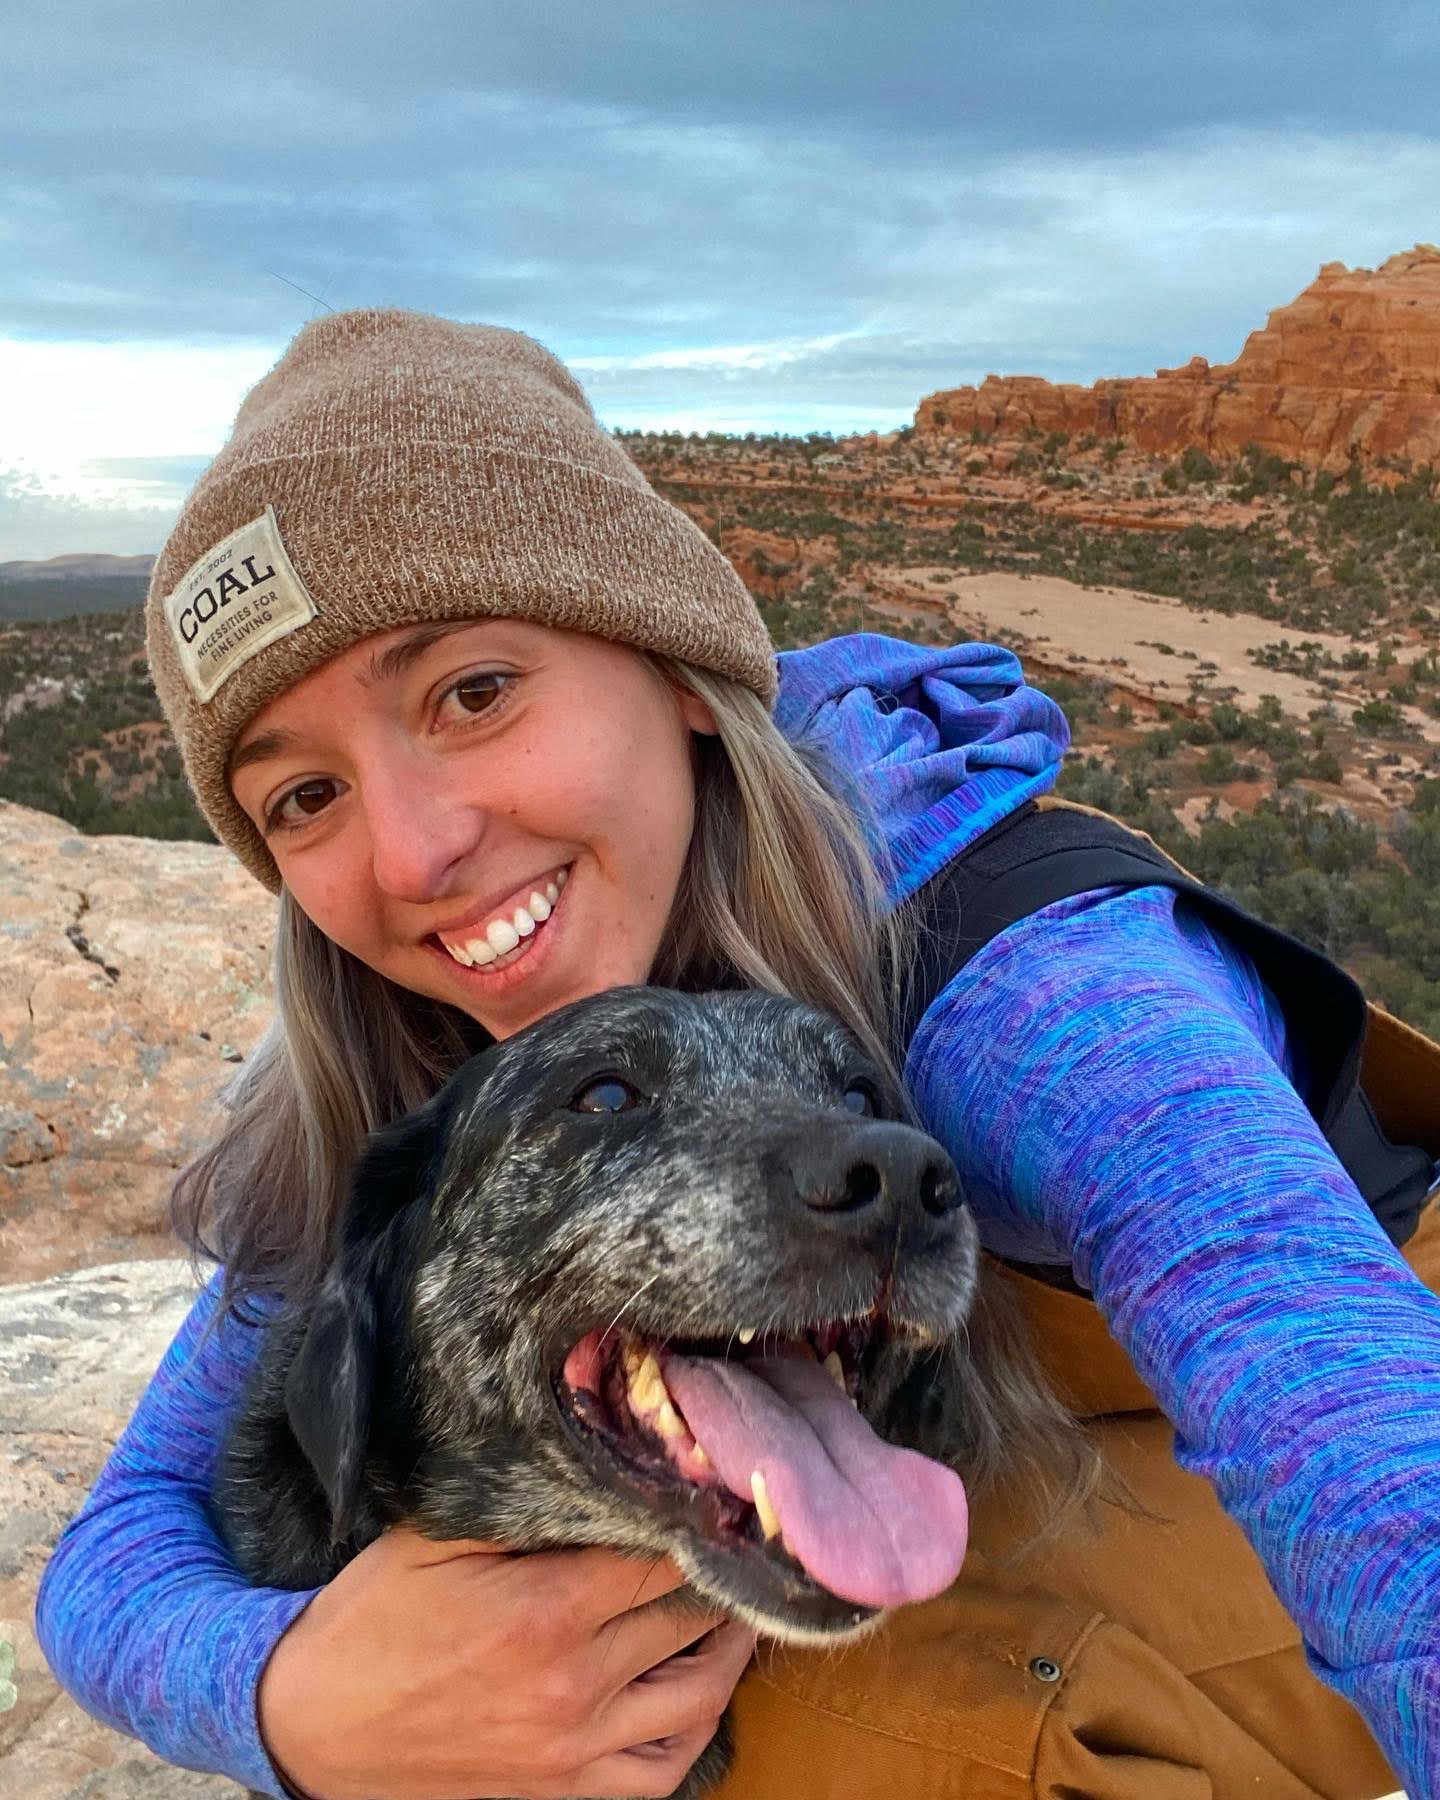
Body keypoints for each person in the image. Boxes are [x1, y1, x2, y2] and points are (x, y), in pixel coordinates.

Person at [32, 308, 1440, 1800]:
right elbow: (124, 1539)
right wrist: (297, 1701)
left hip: (1270, 1435)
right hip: (915, 1465)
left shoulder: (1037, 989)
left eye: (476, 693)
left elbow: (1372, 1464)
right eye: (305, 794)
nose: (419, 852)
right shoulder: (398, 1040)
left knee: (821, 1734)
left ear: (687, 673)